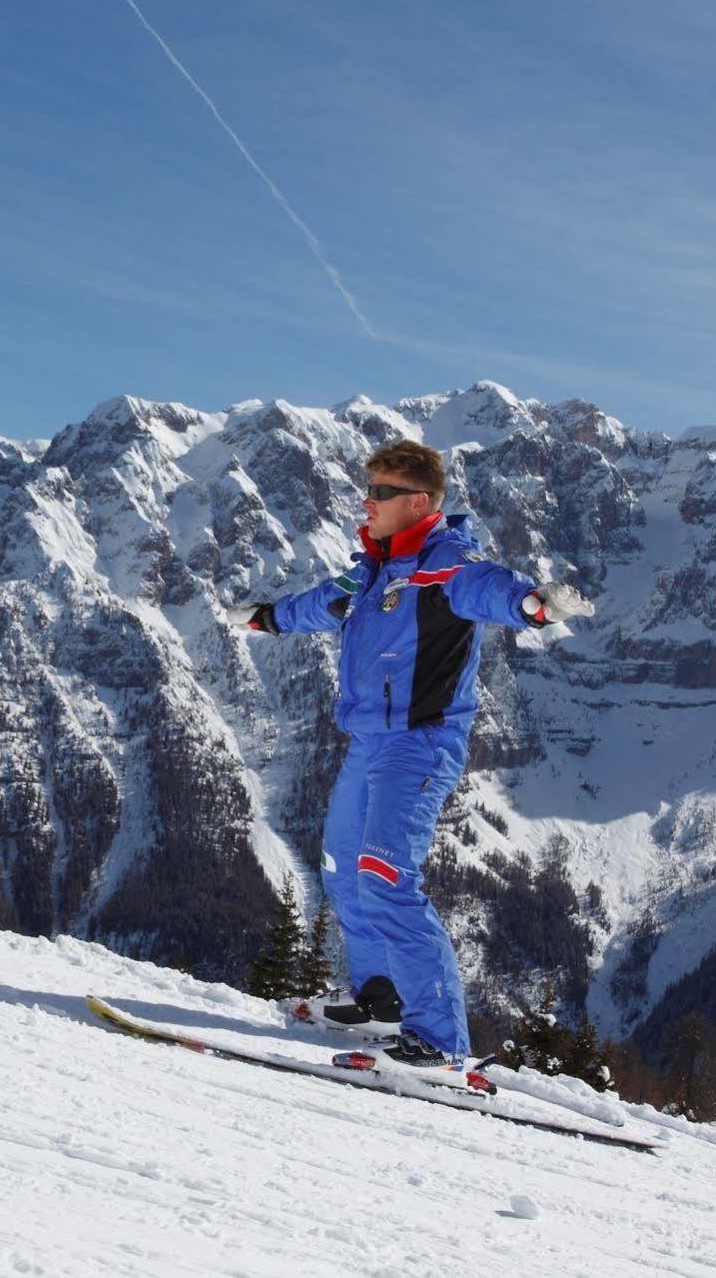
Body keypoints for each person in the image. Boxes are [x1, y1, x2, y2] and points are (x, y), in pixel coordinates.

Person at [229, 439, 594, 1082]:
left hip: (420, 744)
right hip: (368, 741)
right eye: (366, 491)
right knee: (343, 868)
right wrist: (268, 619)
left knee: (387, 877)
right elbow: (321, 602)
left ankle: (439, 1042)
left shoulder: (444, 564)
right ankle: (380, 999)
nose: (364, 504)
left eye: (379, 494)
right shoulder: (370, 568)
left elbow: (490, 590)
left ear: (417, 502)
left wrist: (535, 605)